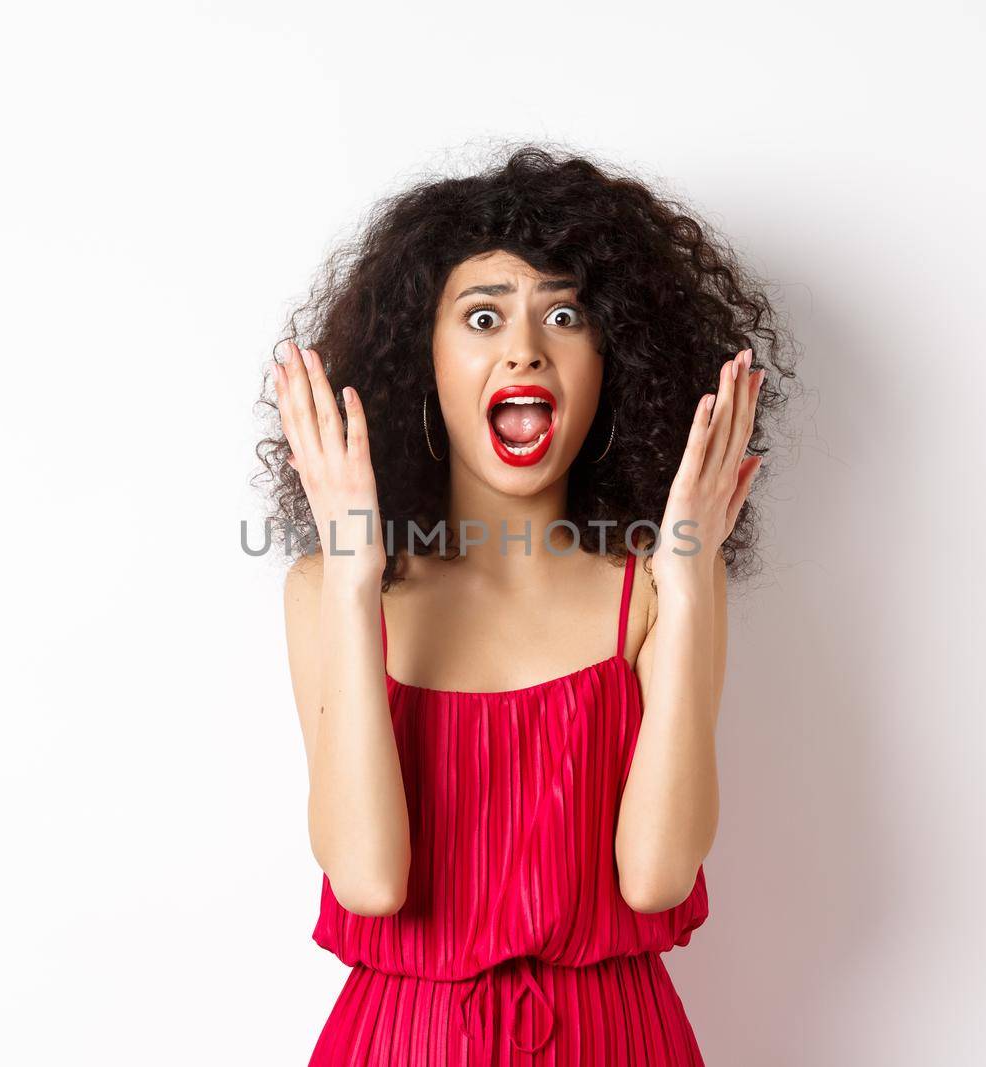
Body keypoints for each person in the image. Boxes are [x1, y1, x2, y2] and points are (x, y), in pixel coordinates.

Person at [257, 144, 793, 1065]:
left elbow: (659, 877)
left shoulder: (657, 591)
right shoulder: (327, 592)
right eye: (482, 316)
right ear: (422, 360)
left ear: (609, 360)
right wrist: (351, 572)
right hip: (402, 1045)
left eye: (563, 313)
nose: (523, 347)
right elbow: (370, 880)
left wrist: (692, 575)